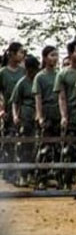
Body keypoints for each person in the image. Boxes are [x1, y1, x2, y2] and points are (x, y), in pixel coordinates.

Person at [55, 40, 76, 188]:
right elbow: (61, 97)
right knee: (69, 151)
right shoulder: (63, 74)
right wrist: (64, 116)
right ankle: (65, 181)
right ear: (70, 54)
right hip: (71, 117)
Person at [9, 56, 40, 187]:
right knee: (24, 148)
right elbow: (15, 102)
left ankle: (35, 175)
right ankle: (22, 176)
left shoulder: (39, 81)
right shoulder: (22, 83)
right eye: (31, 70)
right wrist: (15, 116)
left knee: (37, 148)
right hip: (25, 118)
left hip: (37, 118)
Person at [33, 46, 61, 189]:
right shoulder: (40, 77)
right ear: (44, 58)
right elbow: (38, 98)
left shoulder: (59, 74)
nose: (55, 58)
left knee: (57, 148)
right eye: (51, 55)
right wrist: (40, 116)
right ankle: (40, 178)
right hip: (46, 113)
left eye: (56, 55)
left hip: (58, 113)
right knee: (44, 148)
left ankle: (53, 176)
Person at [0, 42, 26, 182]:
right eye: (20, 52)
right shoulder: (3, 72)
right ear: (12, 54)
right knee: (8, 142)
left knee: (22, 142)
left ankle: (21, 173)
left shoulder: (24, 72)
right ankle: (8, 172)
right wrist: (1, 110)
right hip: (8, 112)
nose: (22, 55)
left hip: (23, 112)